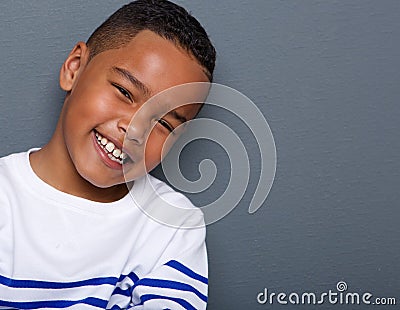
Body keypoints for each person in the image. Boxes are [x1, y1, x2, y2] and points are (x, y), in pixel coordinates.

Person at [0, 0, 216, 309]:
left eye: (163, 123)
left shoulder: (172, 226)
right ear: (74, 68)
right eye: (125, 92)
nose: (135, 129)